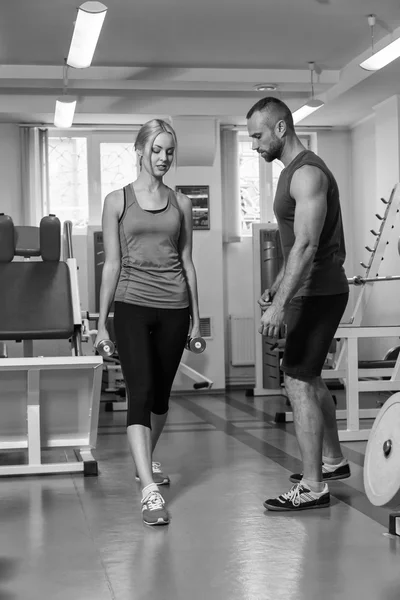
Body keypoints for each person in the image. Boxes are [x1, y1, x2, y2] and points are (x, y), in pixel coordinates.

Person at [95, 118, 201, 526]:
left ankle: (146, 460)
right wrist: (103, 323)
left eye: (169, 151)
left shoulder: (182, 203)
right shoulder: (117, 200)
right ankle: (148, 490)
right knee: (138, 393)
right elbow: (112, 265)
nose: (163, 158)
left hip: (174, 307)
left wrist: (196, 319)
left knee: (159, 399)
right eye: (156, 149)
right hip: (132, 304)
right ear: (139, 150)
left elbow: (188, 263)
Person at [246, 97, 350, 511]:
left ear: (281, 129)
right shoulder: (290, 172)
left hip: (317, 291)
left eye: (257, 135)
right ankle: (333, 461)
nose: (254, 145)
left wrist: (279, 306)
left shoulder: (307, 173)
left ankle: (313, 486)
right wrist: (276, 287)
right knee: (310, 377)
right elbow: (295, 244)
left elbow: (307, 244)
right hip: (310, 289)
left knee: (297, 381)